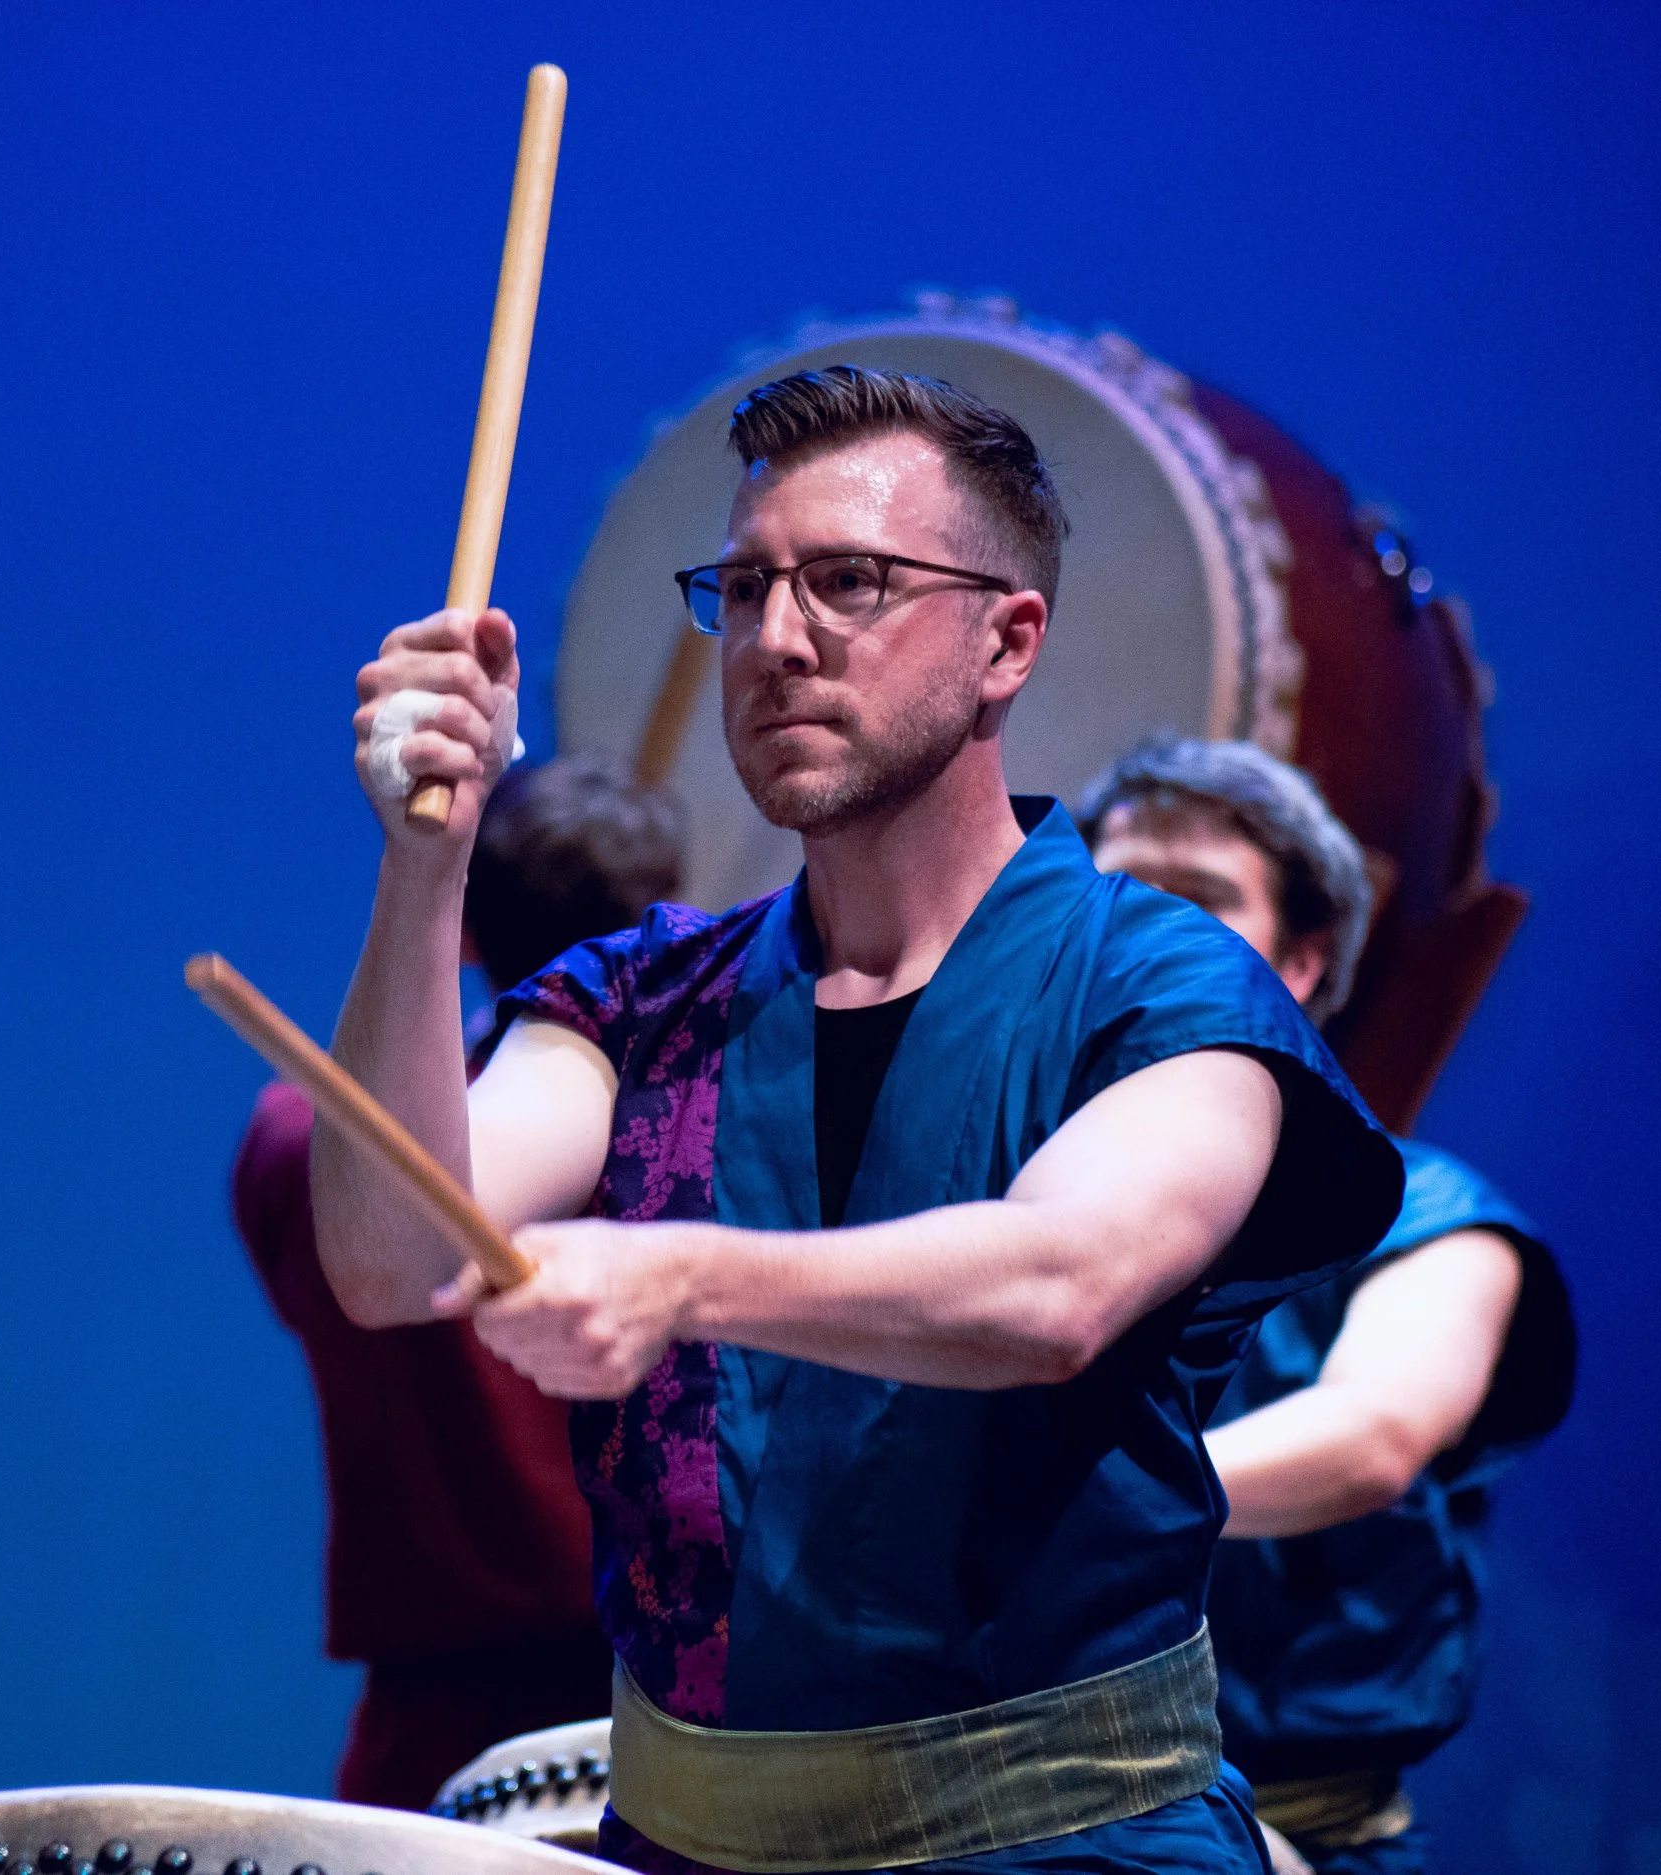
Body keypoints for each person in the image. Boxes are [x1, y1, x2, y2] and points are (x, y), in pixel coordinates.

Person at [310, 366, 1405, 1875]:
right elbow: (387, 1257)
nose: (775, 639)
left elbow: (1061, 1286)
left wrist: (680, 1275)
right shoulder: (642, 1000)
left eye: (850, 583)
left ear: (1007, 639)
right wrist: (425, 861)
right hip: (680, 1847)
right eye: (745, 587)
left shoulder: (1160, 985)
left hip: (1065, 1849)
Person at [1078, 738, 1575, 1875]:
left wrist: (1072, 1502)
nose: (1146, 926)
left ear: (1300, 960)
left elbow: (1371, 1438)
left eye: (1201, 896)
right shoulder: (997, 1183)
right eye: (1119, 891)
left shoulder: (1432, 1215)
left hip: (1288, 1830)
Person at [231, 753, 684, 1810]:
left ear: (469, 929)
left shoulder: (300, 1144)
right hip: (661, 1719)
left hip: (434, 1734)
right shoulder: (696, 1136)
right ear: (666, 926)